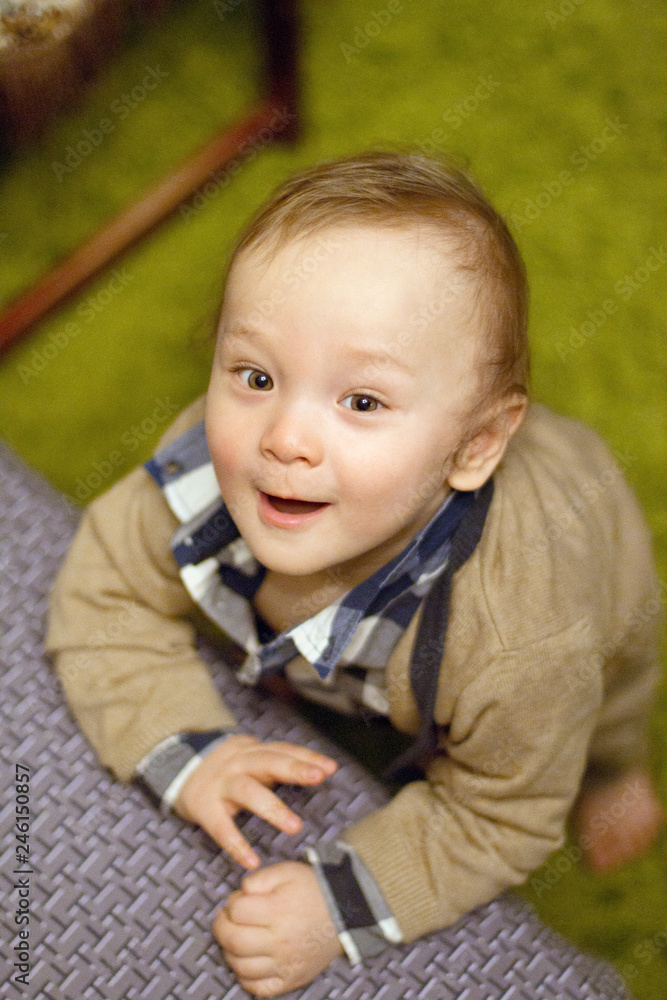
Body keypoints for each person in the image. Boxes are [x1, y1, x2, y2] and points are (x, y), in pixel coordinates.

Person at [46, 151, 664, 997]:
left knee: (603, 702)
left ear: (476, 446)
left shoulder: (524, 638)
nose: (284, 438)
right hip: (366, 645)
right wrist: (193, 752)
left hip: (589, 593)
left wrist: (335, 905)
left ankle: (618, 772)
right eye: (257, 376)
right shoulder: (213, 469)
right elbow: (102, 590)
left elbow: (496, 815)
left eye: (362, 402)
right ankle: (308, 661)